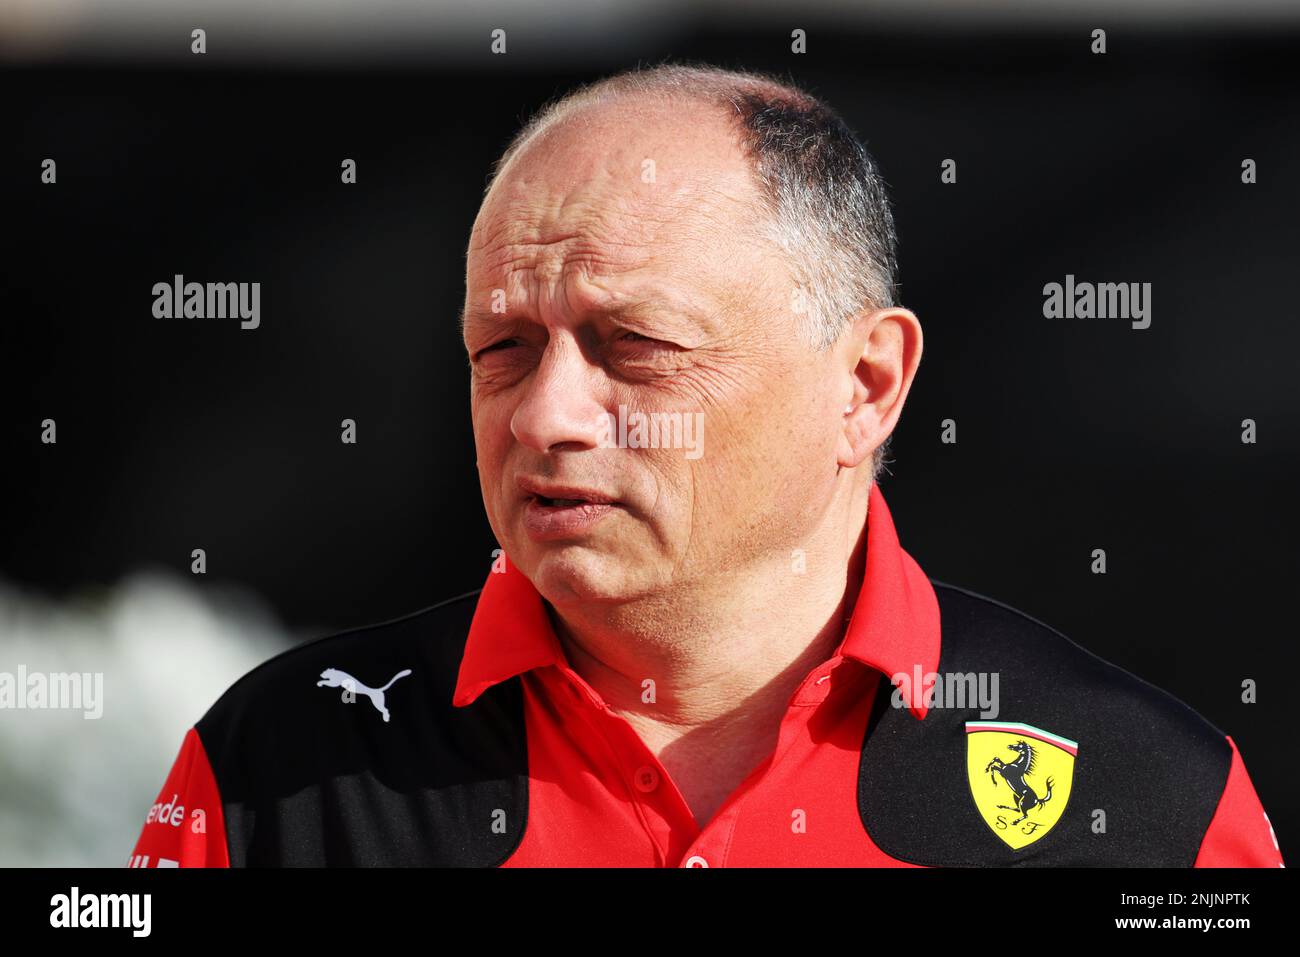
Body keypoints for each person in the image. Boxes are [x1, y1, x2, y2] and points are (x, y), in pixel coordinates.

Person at [128, 63, 1284, 867]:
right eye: (502, 349)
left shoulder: (1141, 801)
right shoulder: (279, 771)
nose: (545, 415)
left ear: (866, 385)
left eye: (635, 346)